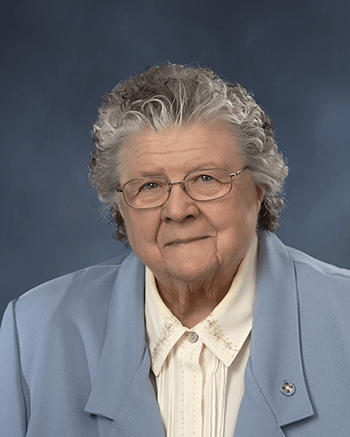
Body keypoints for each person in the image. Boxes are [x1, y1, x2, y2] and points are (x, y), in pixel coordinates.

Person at [1, 63, 349, 437]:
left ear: (260, 187)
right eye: (149, 185)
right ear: (120, 205)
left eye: (205, 178)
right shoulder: (35, 332)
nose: (178, 209)